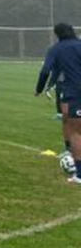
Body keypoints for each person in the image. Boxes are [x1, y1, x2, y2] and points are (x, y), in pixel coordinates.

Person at [36, 23, 81, 185]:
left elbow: (45, 70)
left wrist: (39, 89)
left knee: (76, 132)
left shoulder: (56, 49)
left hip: (75, 93)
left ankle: (79, 174)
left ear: (57, 35)